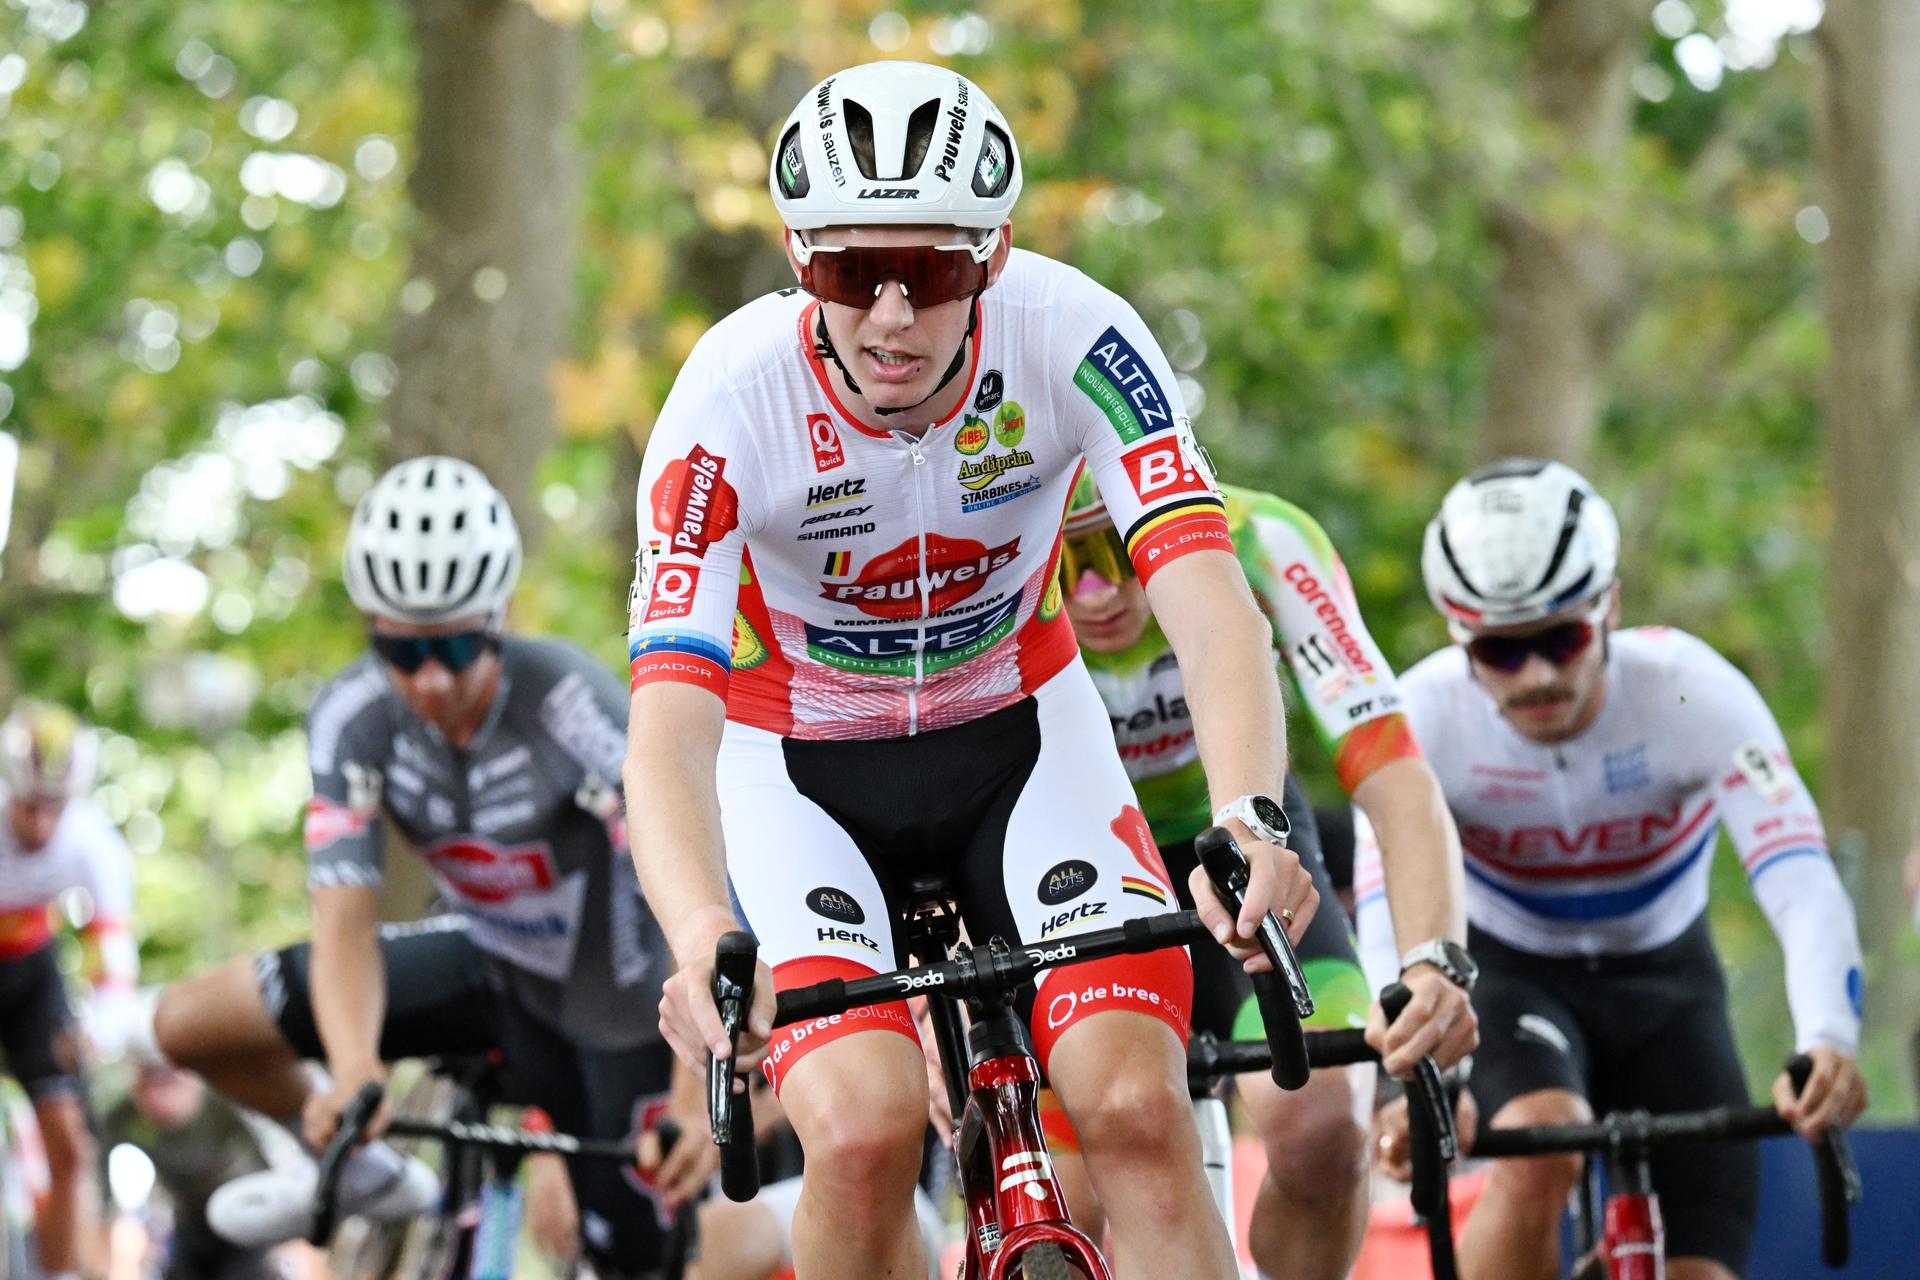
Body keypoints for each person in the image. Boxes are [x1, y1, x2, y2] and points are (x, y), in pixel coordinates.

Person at [626, 59, 1322, 1280]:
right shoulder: (727, 402)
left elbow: (1213, 607)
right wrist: (697, 935)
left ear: (992, 256)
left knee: (1138, 1109)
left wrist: (1250, 810)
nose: (890, 316)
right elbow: (671, 721)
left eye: (933, 271)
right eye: (850, 271)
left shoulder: (1079, 336)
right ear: (799, 257)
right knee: (857, 1133)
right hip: (803, 770)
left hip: (1023, 733)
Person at [152, 457, 712, 1278]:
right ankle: (376, 1177)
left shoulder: (566, 701)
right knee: (189, 1023)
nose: (432, 679)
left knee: (644, 1260)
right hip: (487, 968)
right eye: (401, 651)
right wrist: (352, 1077)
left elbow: (683, 878)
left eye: (455, 644)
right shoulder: (353, 717)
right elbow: (343, 915)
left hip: (618, 1006)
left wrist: (698, 1091)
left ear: (499, 613)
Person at [1360, 457, 1868, 1280]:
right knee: (1540, 1151)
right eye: (1499, 651)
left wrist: (1827, 1041)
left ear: (1610, 609)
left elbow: (1800, 876)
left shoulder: (1692, 690)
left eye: (1561, 638)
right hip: (1513, 979)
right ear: (1460, 638)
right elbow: (1386, 913)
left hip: (1669, 981)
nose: (1538, 676)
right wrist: (1406, 1080)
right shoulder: (1422, 717)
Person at [1052, 476, 1474, 1278]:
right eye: (1064, 566)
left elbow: (1394, 771)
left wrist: (1433, 961)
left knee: (1324, 1131)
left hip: (1247, 847)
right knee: (1071, 1196)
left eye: (1116, 550)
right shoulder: (985, 554)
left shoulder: (1260, 539)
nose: (1099, 591)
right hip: (1086, 863)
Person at [0, 699, 139, 1280]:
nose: (40, 826)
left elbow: (112, 956)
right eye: (29, 807)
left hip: (33, 973)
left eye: (54, 808)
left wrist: (100, 1029)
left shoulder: (93, 840)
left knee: (70, 1147)